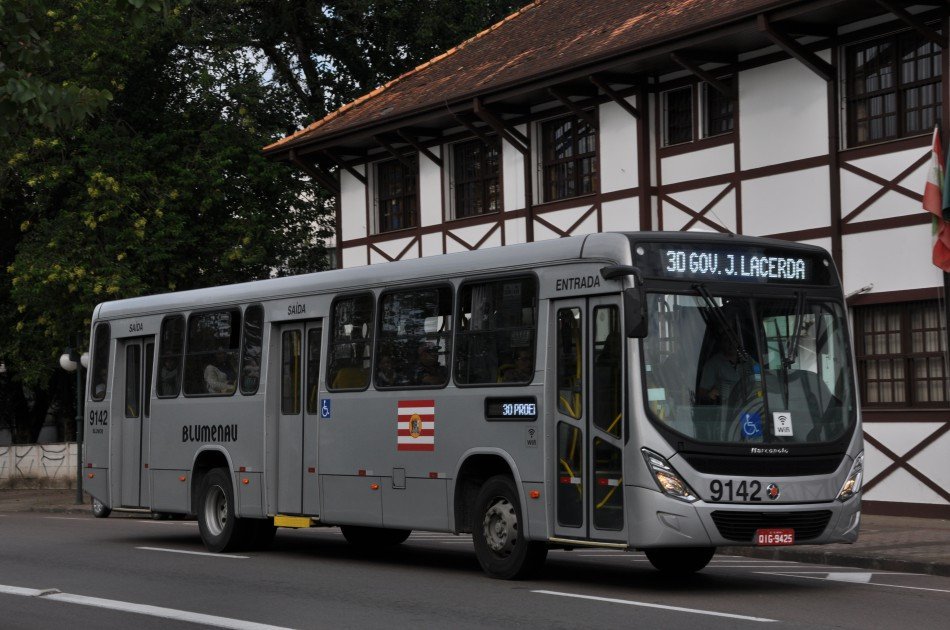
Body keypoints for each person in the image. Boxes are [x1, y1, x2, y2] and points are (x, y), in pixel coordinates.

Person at [697, 336, 741, 405]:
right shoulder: (713, 364)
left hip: (748, 405)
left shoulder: (747, 361)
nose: (731, 343)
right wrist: (709, 395)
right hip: (726, 410)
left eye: (733, 340)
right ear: (722, 343)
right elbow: (702, 393)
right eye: (727, 340)